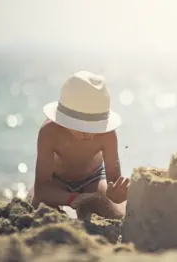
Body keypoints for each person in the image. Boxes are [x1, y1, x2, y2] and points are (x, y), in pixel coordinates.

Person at [27, 70, 129, 219]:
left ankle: (86, 208)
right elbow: (42, 188)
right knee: (37, 210)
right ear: (63, 120)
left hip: (93, 179)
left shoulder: (108, 135)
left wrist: (117, 196)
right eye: (82, 127)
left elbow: (113, 182)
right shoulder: (49, 132)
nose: (89, 134)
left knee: (115, 214)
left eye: (95, 127)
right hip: (56, 181)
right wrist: (71, 199)